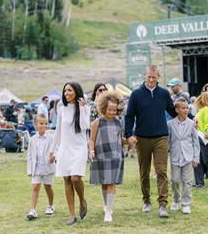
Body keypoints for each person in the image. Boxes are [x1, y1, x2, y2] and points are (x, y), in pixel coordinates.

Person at [125, 65, 179, 218]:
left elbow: (172, 111)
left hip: (161, 137)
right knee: (144, 172)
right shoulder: (136, 94)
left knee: (161, 171)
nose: (150, 79)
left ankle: (163, 204)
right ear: (145, 75)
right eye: (148, 76)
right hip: (142, 137)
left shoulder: (164, 93)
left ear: (158, 77)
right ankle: (146, 201)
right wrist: (129, 135)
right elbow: (129, 116)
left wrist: (188, 119)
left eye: (153, 77)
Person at [51, 82, 90, 225]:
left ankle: (82, 200)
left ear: (76, 92)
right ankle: (72, 214)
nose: (66, 93)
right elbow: (58, 131)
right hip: (65, 148)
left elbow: (85, 126)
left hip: (79, 148)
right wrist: (53, 150)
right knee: (66, 179)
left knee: (75, 178)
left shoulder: (85, 107)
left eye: (70, 90)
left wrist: (82, 107)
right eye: (65, 90)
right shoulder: (61, 109)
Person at [88, 91, 125, 222]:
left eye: (114, 110)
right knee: (104, 183)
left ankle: (108, 212)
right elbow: (91, 140)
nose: (112, 112)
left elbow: (120, 139)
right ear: (103, 108)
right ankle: (106, 205)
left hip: (115, 156)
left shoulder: (118, 122)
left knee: (111, 183)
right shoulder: (97, 122)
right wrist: (91, 151)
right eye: (110, 110)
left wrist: (128, 141)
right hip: (101, 156)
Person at [167, 98, 199, 214]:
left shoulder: (191, 124)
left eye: (187, 108)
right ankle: (176, 200)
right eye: (183, 108)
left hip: (188, 157)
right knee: (175, 180)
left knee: (187, 181)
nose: (186, 110)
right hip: (175, 156)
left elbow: (195, 142)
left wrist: (196, 158)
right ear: (176, 110)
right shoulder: (170, 124)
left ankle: (186, 203)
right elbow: (167, 141)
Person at [26, 114, 55, 220]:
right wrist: (30, 170)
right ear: (36, 125)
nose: (44, 126)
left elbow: (55, 150)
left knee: (48, 187)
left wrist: (54, 157)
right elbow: (29, 155)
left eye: (46, 123)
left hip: (48, 167)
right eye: (41, 123)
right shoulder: (32, 140)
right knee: (35, 187)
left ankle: (51, 205)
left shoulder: (51, 138)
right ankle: (33, 210)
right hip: (36, 168)